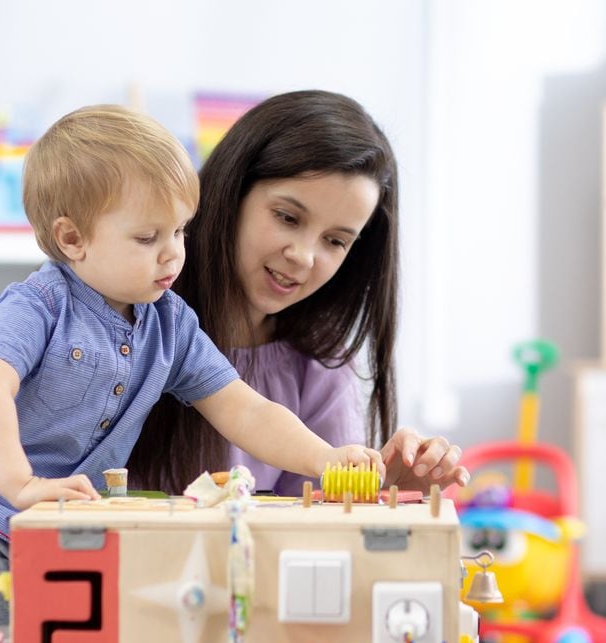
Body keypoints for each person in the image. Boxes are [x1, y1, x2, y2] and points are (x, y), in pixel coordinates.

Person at [0, 104, 384, 643]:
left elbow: (244, 409)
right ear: (72, 240)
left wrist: (325, 460)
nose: (173, 255)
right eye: (149, 238)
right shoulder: (39, 304)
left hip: (40, 540)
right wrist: (21, 486)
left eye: (179, 233)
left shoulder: (171, 322)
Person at [128, 89, 469, 495]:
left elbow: (313, 531)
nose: (304, 257)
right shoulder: (124, 320)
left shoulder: (317, 366)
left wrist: (384, 492)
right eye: (287, 217)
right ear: (231, 192)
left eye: (336, 241)